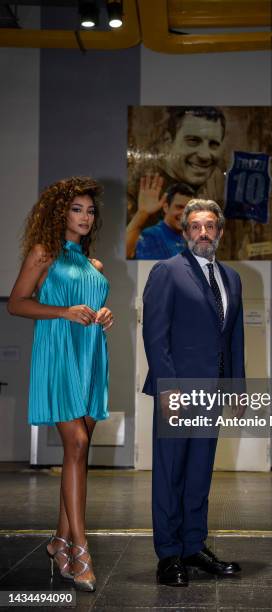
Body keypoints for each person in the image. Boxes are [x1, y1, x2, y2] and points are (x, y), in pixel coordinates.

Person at [8, 177, 114, 593]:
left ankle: (57, 541)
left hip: (90, 356)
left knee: (78, 452)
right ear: (60, 213)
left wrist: (106, 314)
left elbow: (95, 306)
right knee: (77, 446)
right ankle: (80, 548)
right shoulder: (44, 253)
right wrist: (63, 312)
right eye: (77, 210)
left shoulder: (96, 266)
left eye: (89, 211)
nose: (85, 217)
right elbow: (17, 303)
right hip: (58, 352)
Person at [142, 199, 245, 587]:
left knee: (200, 472)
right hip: (179, 392)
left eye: (210, 226)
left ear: (219, 232)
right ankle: (168, 555)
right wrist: (168, 389)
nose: (204, 233)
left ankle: (193, 546)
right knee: (171, 473)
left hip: (214, 394)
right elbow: (154, 334)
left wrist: (236, 390)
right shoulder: (167, 272)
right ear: (185, 233)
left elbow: (234, 338)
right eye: (196, 226)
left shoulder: (232, 278)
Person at [127, 106, 226, 241]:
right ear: (168, 141)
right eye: (193, 141)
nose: (205, 155)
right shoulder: (137, 194)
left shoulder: (219, 189)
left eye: (213, 144)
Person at [126, 180, 195, 259]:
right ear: (166, 207)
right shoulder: (152, 236)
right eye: (179, 207)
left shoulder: (189, 240)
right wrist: (142, 213)